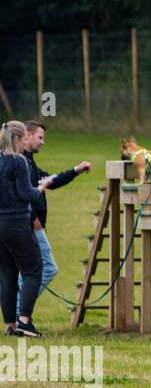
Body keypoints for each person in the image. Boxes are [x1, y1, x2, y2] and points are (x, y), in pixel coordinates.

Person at [19, 121, 90, 309]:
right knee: (48, 268)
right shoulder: (21, 162)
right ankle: (20, 311)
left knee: (24, 273)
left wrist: (75, 171)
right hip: (29, 225)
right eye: (40, 137)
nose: (43, 142)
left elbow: (49, 180)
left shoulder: (29, 161)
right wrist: (33, 218)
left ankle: (17, 315)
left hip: (29, 224)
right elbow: (19, 195)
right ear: (27, 135)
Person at [0, 121, 52, 337]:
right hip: (17, 222)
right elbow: (26, 194)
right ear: (18, 139)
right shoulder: (18, 162)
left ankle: (10, 325)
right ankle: (24, 321)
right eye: (23, 139)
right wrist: (42, 186)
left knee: (7, 275)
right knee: (33, 270)